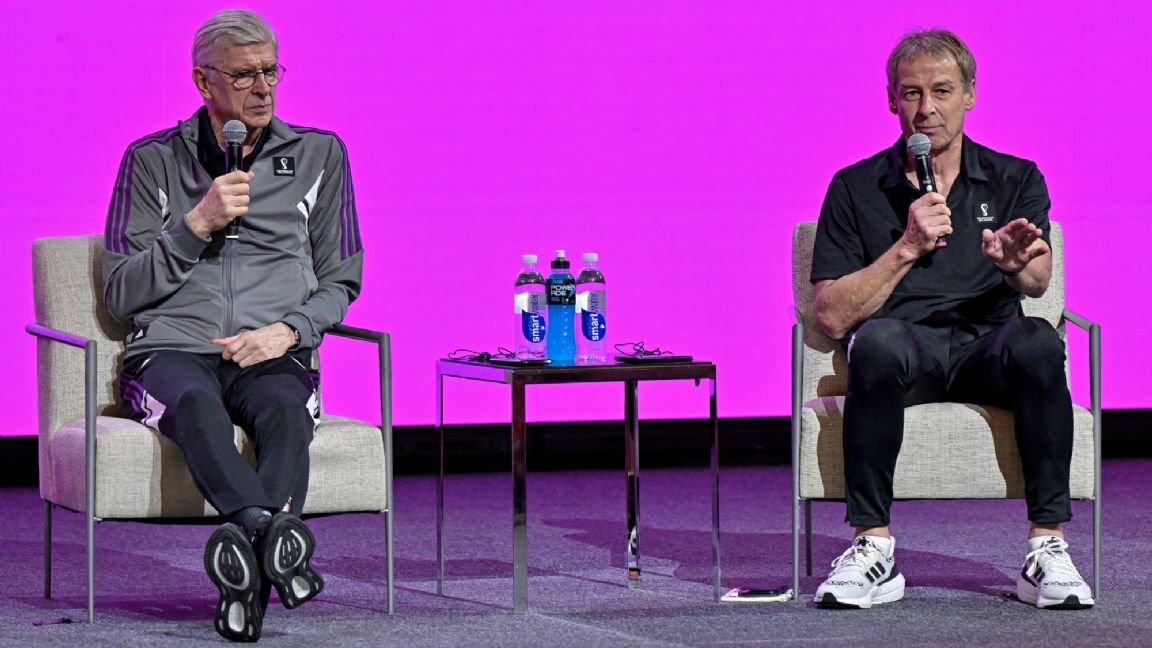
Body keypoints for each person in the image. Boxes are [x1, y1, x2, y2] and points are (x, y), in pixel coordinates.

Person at [809, 29, 1093, 610]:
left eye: (942, 90)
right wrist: (907, 247)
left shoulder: (1016, 178)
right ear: (891, 100)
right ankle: (873, 548)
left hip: (986, 349)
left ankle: (1047, 548)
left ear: (970, 94)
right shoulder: (854, 187)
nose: (926, 109)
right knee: (875, 343)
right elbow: (833, 316)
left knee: (1039, 339)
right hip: (904, 351)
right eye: (911, 93)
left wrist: (1015, 266)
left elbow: (1039, 282)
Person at [102, 9, 363, 641]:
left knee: (285, 412)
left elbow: (342, 280)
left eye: (271, 71)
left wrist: (290, 330)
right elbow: (120, 294)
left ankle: (249, 558)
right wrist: (196, 225)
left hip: (270, 347)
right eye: (244, 75)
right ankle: (271, 538)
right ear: (203, 81)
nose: (263, 88)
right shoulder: (151, 160)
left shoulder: (319, 154)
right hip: (171, 350)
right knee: (195, 404)